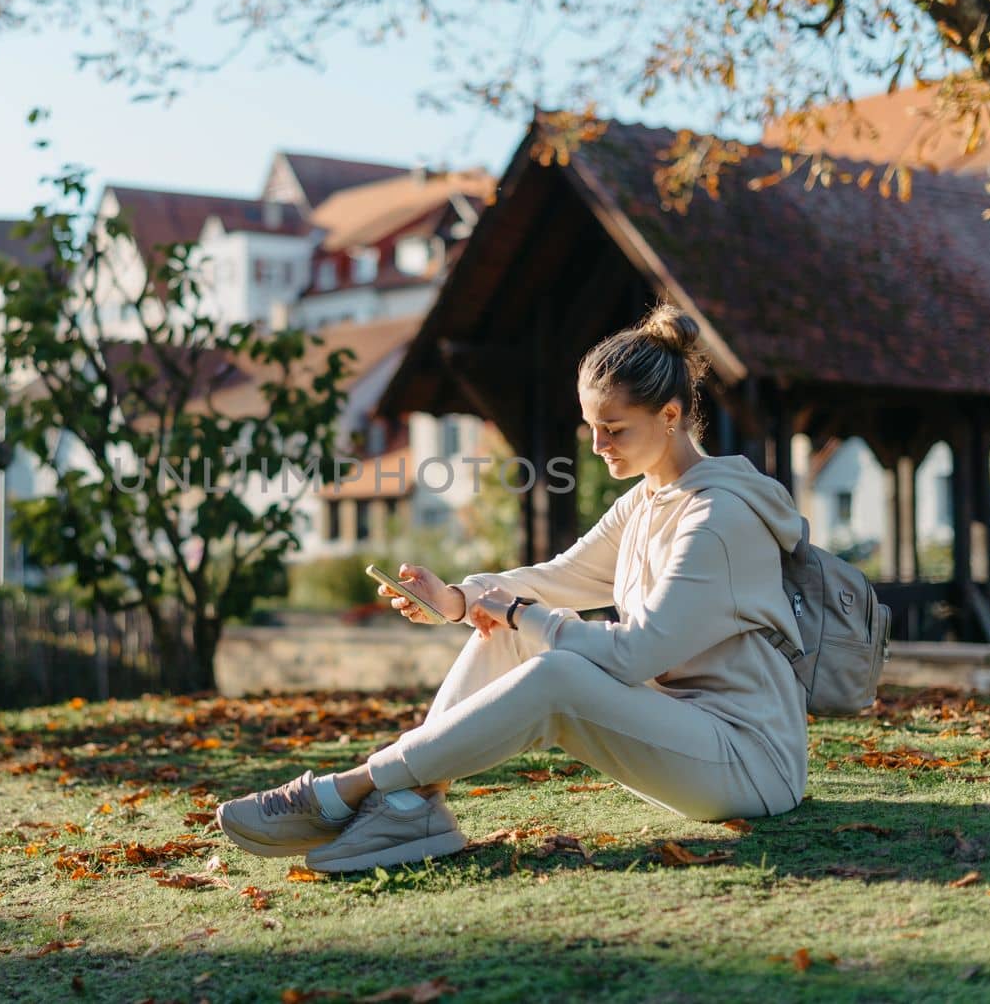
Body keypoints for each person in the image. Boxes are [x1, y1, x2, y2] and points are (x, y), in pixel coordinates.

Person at [216, 304, 809, 873]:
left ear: (672, 416)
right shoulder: (646, 503)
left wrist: (525, 613)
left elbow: (637, 654)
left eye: (614, 429)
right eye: (591, 428)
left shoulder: (718, 518)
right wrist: (459, 600)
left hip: (749, 762)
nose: (597, 446)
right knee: (511, 630)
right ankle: (409, 805)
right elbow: (559, 577)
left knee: (554, 670)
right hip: (684, 735)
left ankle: (353, 788)